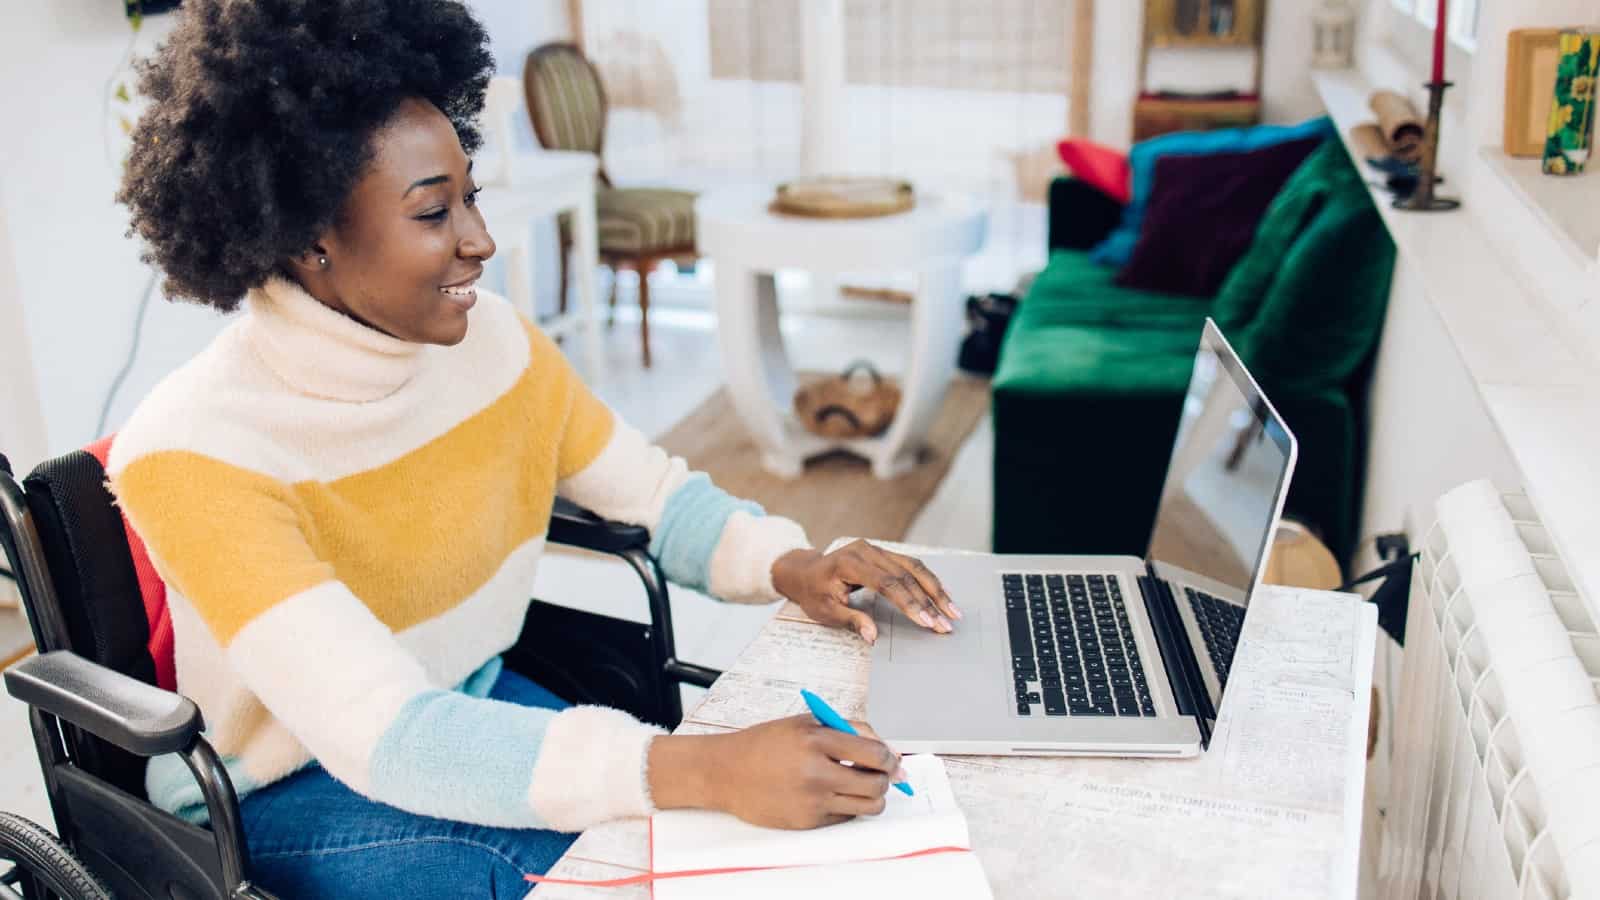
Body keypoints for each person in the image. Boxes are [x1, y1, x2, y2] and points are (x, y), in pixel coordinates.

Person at [108, 1, 960, 896]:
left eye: (470, 194)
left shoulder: (496, 346)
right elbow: (384, 735)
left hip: (467, 698)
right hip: (286, 788)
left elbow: (657, 498)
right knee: (623, 868)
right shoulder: (196, 449)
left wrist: (797, 564)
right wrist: (704, 769)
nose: (480, 239)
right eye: (434, 212)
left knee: (708, 844)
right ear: (311, 238)